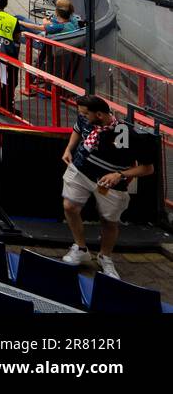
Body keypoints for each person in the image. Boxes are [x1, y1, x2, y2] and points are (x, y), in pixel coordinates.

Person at [59, 95, 156, 278]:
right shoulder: (85, 118)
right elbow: (78, 129)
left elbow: (147, 168)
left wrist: (119, 175)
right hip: (81, 170)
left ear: (100, 115)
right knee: (69, 206)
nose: (82, 116)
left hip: (108, 180)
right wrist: (69, 149)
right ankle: (80, 248)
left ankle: (105, 257)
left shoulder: (125, 134)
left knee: (109, 221)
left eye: (85, 114)